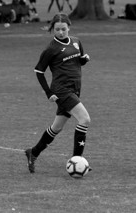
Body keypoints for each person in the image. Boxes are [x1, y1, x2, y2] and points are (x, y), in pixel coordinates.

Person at [25, 13, 91, 173]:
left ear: (69, 27)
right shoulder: (51, 49)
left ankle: (33, 152)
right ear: (52, 29)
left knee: (57, 127)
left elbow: (78, 61)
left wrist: (84, 60)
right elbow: (38, 71)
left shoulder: (76, 42)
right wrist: (48, 92)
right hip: (62, 90)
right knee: (84, 119)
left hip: (75, 88)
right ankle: (78, 161)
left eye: (63, 29)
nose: (60, 32)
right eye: (57, 30)